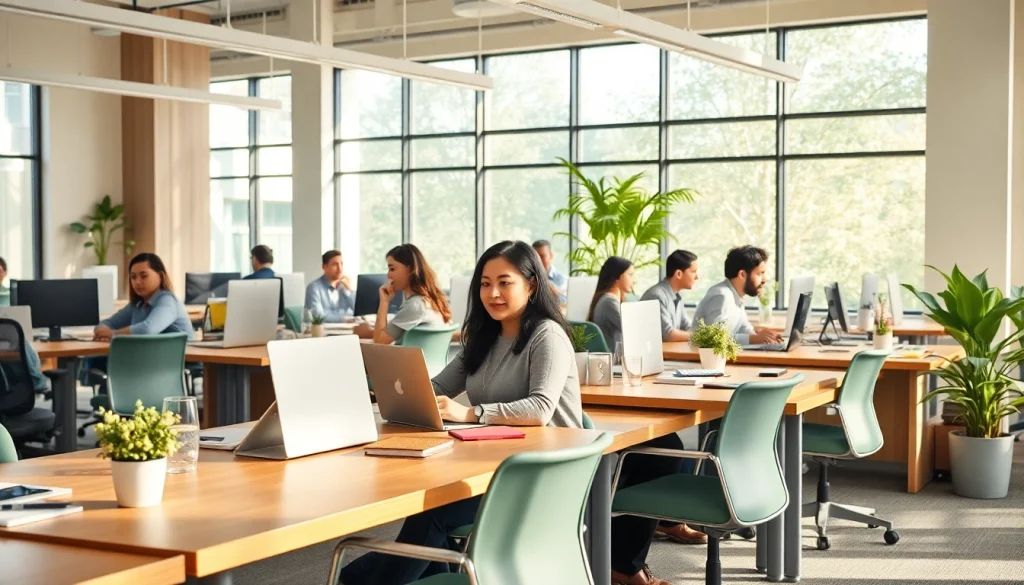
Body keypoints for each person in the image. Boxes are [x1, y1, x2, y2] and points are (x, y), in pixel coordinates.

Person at [338, 240, 583, 585]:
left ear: (531, 285)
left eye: (504, 282)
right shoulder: (484, 338)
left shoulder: (547, 335)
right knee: (430, 507)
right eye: (485, 283)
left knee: (434, 514)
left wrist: (472, 413)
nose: (493, 292)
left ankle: (363, 580)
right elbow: (437, 387)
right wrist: (386, 398)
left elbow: (540, 408)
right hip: (497, 468)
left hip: (540, 479)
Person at [354, 244, 450, 344]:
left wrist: (384, 302)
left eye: (392, 269)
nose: (388, 275)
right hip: (422, 359)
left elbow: (379, 341)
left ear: (410, 269)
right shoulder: (428, 301)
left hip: (409, 360)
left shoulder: (415, 305)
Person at [691, 245, 782, 345]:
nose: (764, 279)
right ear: (742, 274)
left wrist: (765, 337)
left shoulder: (736, 297)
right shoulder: (721, 296)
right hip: (703, 359)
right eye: (760, 273)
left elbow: (743, 328)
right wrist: (754, 339)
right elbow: (714, 338)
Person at [93, 253, 194, 341]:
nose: (137, 282)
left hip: (181, 362)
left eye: (144, 276)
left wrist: (113, 334)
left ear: (160, 276)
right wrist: (101, 332)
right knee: (94, 358)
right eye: (133, 277)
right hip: (151, 360)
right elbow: (107, 323)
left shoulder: (168, 301)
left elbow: (148, 329)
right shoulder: (137, 305)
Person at [640, 249, 699, 342]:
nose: (697, 277)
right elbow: (669, 335)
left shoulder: (676, 295)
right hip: (654, 355)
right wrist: (700, 336)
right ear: (678, 274)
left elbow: (687, 326)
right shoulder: (657, 296)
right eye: (693, 272)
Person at [587, 256, 635, 349]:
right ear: (617, 277)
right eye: (630, 275)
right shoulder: (609, 302)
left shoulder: (610, 299)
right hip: (613, 361)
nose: (634, 280)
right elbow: (633, 330)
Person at [305, 250, 354, 323]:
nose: (340, 268)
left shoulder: (343, 286)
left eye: (341, 264)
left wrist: (348, 290)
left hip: (346, 330)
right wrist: (344, 319)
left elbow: (358, 311)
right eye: (335, 264)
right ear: (324, 267)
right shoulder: (314, 288)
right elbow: (318, 315)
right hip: (322, 332)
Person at [532, 239, 568, 304]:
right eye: (536, 258)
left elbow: (566, 303)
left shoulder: (561, 279)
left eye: (542, 256)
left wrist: (553, 291)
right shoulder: (528, 278)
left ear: (551, 256)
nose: (539, 261)